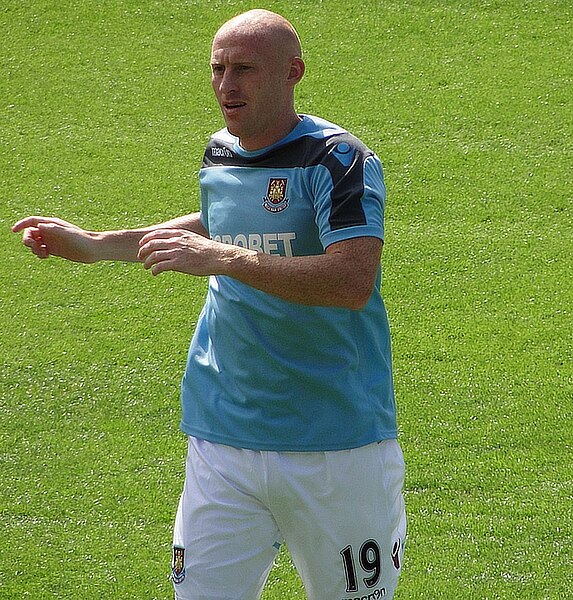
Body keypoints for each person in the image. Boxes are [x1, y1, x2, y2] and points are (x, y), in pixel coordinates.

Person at [12, 9, 406, 600]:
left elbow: (351, 280)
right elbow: (220, 224)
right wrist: (97, 245)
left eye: (244, 69)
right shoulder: (221, 152)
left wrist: (223, 259)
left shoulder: (338, 160)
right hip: (222, 438)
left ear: (293, 72)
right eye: (218, 69)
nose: (227, 85)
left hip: (334, 445)